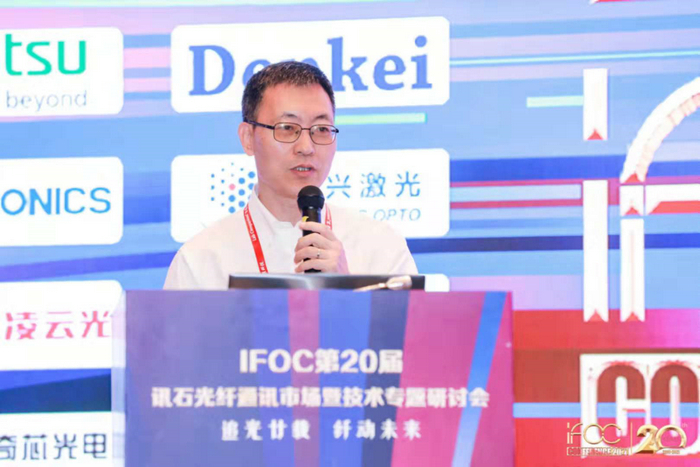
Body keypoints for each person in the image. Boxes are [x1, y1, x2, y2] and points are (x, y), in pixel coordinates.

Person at [164, 61, 417, 290]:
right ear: (248, 138)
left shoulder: (381, 247)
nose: (306, 147)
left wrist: (346, 288)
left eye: (321, 129)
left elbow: (410, 328)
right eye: (287, 128)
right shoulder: (201, 260)